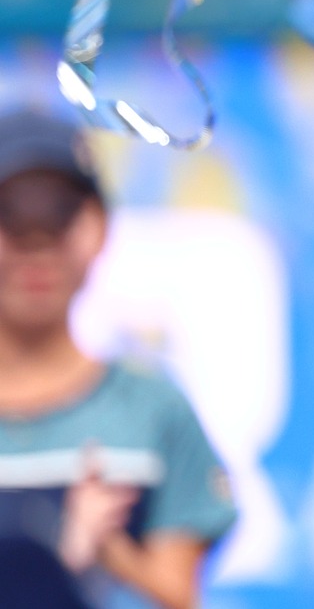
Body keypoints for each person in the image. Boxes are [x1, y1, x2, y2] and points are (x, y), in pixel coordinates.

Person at [0, 109, 236, 609]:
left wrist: (107, 554)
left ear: (99, 229)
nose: (36, 242)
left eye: (59, 215)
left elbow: (180, 597)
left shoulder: (153, 410)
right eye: (10, 214)